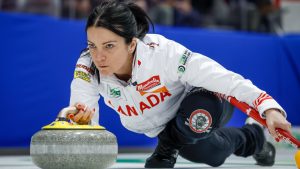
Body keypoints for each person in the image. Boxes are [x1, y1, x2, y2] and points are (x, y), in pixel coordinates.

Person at [68, 0, 292, 168]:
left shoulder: (164, 55)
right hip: (170, 128)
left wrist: (269, 108)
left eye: (109, 46)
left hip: (205, 101)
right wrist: (81, 121)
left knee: (198, 115)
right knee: (212, 154)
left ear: (131, 44)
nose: (98, 56)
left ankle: (167, 149)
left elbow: (223, 79)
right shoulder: (88, 65)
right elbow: (82, 106)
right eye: (92, 45)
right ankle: (255, 138)